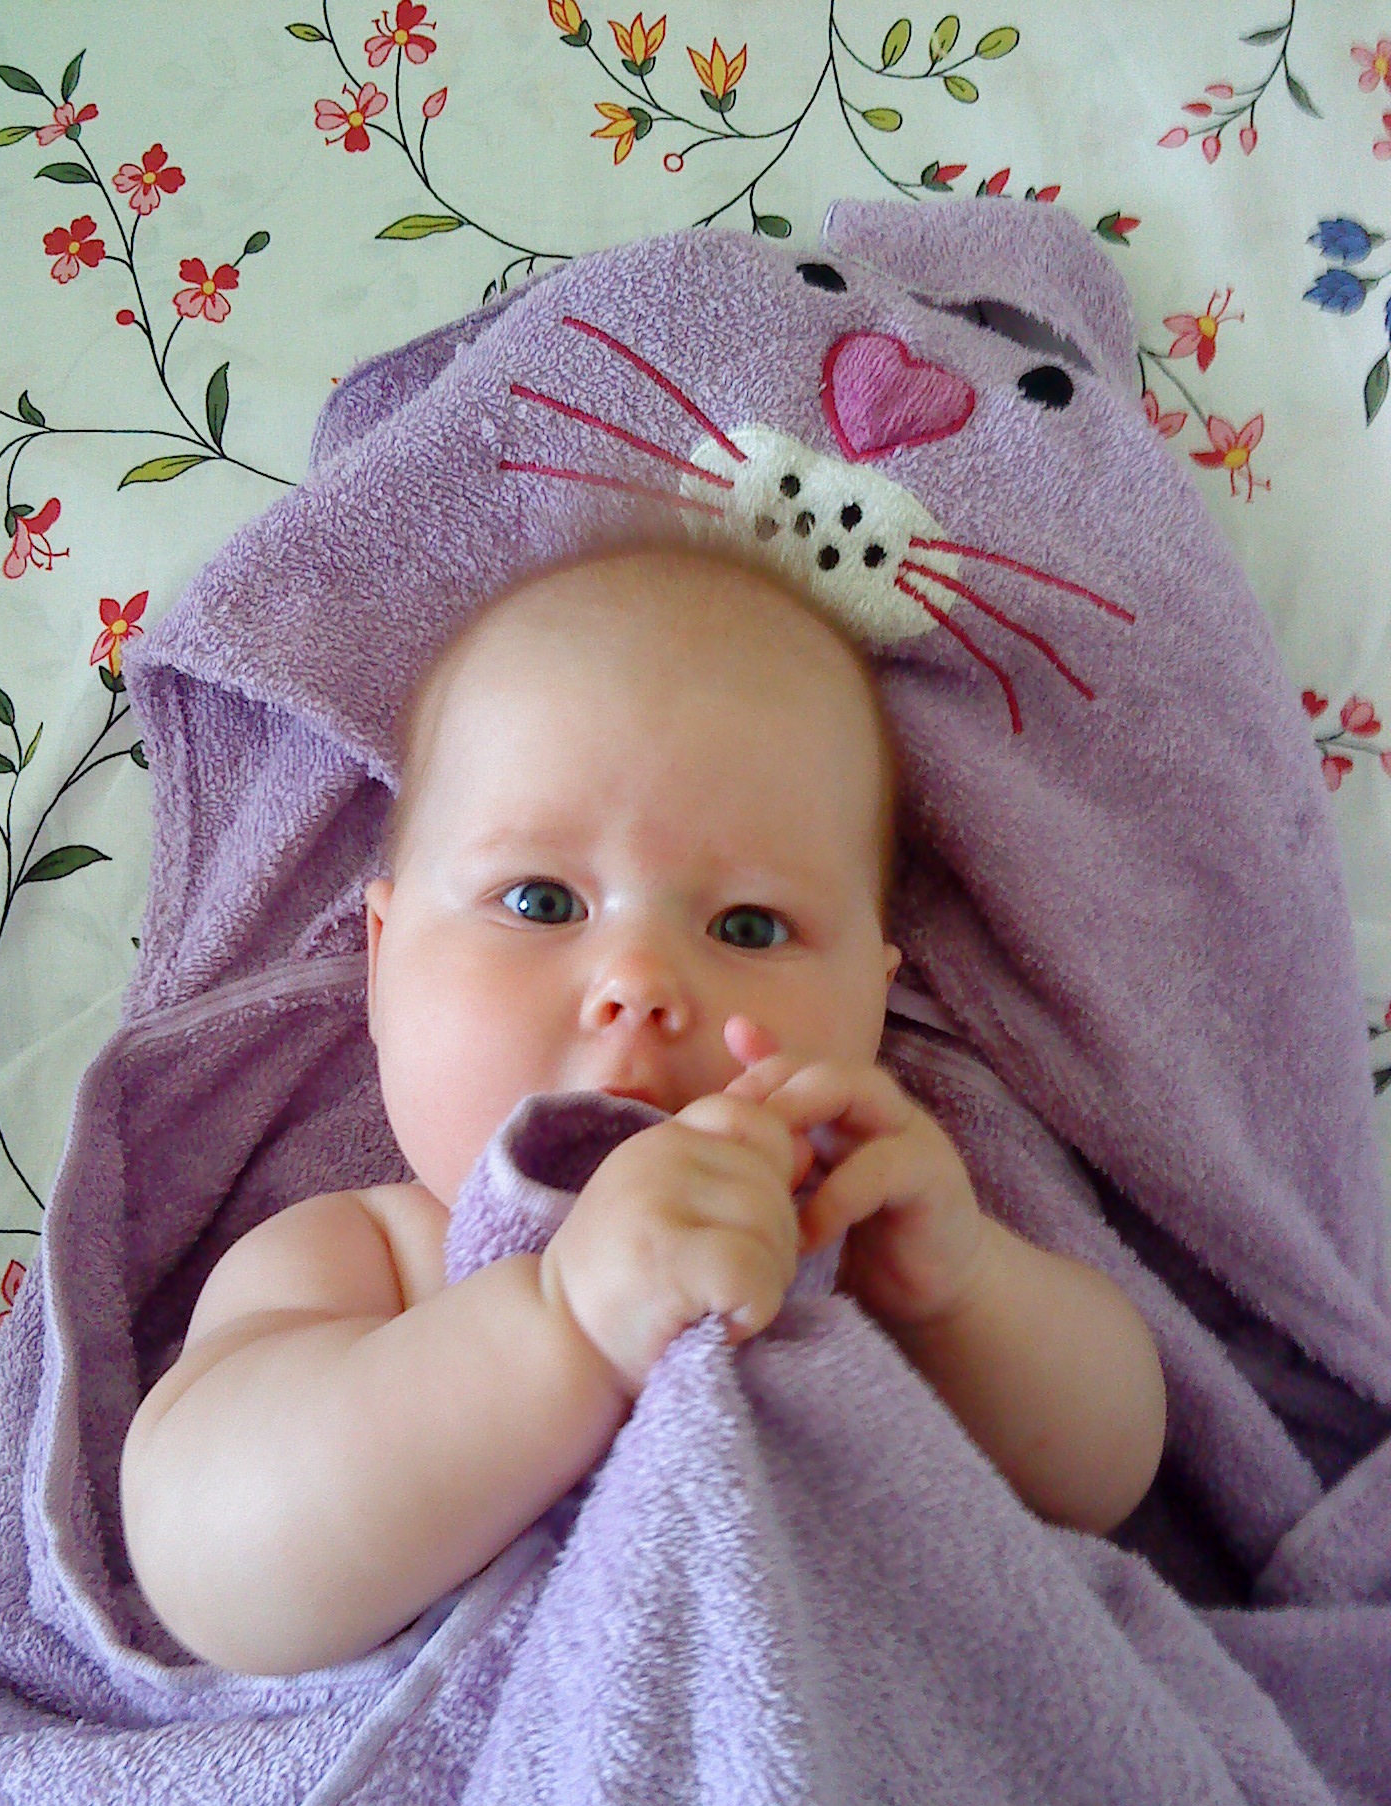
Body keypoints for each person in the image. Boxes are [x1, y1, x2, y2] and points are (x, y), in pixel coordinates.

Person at [119, 542, 1167, 1678]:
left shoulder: (859, 1237)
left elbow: (1109, 1478)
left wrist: (962, 1291)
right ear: (383, 964)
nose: (641, 980)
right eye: (541, 900)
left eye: (748, 927)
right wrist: (562, 1326)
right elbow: (211, 1569)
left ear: (873, 999)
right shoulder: (367, 1258)